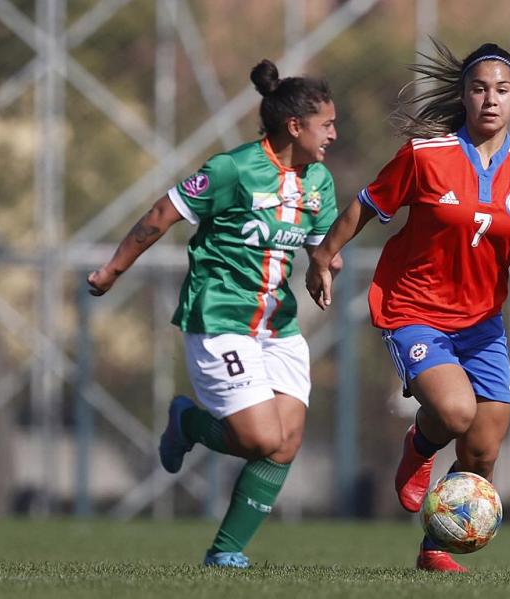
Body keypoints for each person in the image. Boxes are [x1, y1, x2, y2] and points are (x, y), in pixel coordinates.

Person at [306, 40, 510, 573]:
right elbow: (366, 204)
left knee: (482, 451)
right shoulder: (425, 156)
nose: (490, 99)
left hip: (482, 323)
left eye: (501, 90)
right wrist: (323, 255)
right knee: (454, 412)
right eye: (479, 89)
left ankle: (434, 550)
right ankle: (420, 443)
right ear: (464, 95)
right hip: (412, 308)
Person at [88, 59, 341, 568]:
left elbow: (323, 247)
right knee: (259, 438)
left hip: (279, 326)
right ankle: (187, 422)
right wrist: (114, 269)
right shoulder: (233, 169)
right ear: (295, 126)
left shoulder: (319, 182)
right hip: (221, 318)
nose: (334, 134)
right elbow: (163, 213)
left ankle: (225, 554)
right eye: (327, 124)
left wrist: (324, 268)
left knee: (285, 442)